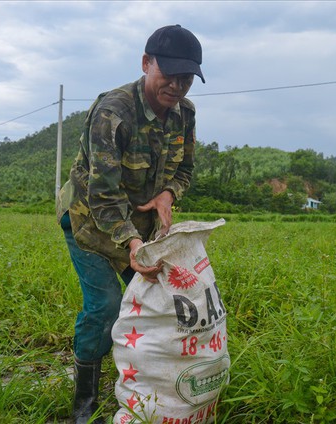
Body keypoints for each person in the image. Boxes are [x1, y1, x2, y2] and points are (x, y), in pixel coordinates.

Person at [55, 24, 204, 424]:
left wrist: (167, 194)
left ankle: (149, 388)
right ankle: (83, 404)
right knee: (104, 306)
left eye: (186, 79)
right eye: (167, 75)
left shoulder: (185, 114)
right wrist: (133, 245)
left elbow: (185, 169)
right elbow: (101, 194)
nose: (175, 86)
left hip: (140, 226)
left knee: (157, 302)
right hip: (88, 220)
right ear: (145, 64)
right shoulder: (113, 112)